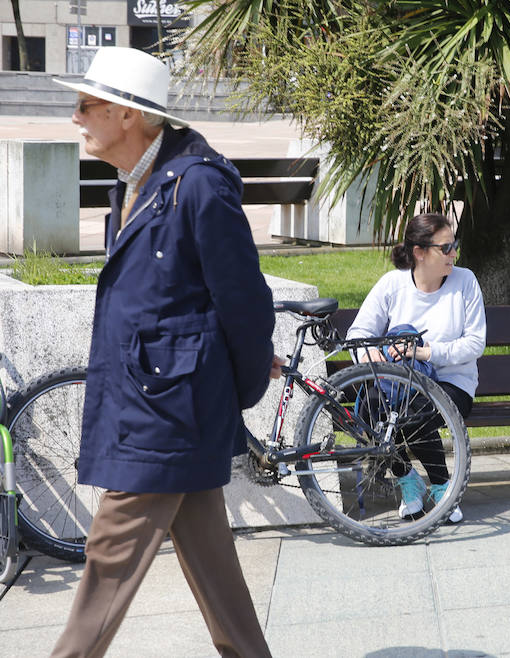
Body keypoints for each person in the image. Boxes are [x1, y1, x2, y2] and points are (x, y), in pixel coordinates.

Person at [50, 47, 279, 656]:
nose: (75, 116)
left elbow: (245, 303)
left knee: (107, 558)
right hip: (160, 403)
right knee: (217, 576)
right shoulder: (133, 183)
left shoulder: (198, 187)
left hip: (167, 415)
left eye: (85, 105)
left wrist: (241, 390)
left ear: (128, 115)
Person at [346, 213, 486, 523]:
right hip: (398, 383)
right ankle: (407, 478)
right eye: (446, 247)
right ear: (420, 252)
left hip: (453, 382)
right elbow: (358, 334)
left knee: (414, 411)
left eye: (454, 245)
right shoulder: (393, 284)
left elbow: (475, 344)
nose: (454, 254)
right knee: (372, 410)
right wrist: (370, 356)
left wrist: (425, 353)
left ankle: (440, 486)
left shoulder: (465, 282)